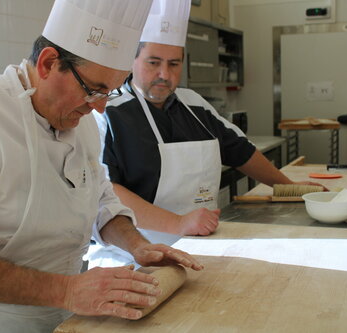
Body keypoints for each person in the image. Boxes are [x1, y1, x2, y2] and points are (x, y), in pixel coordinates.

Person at [0, 1, 204, 332]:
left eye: (108, 94)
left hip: (65, 319)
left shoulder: (78, 119)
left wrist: (138, 245)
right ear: (49, 63)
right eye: (93, 91)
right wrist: (66, 290)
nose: (99, 109)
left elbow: (100, 200)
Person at [88, 0, 324, 267]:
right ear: (132, 59)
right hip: (131, 260)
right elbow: (106, 191)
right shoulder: (107, 112)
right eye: (153, 62)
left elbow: (241, 152)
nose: (164, 74)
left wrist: (289, 187)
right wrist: (178, 223)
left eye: (174, 64)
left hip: (200, 249)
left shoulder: (194, 105)